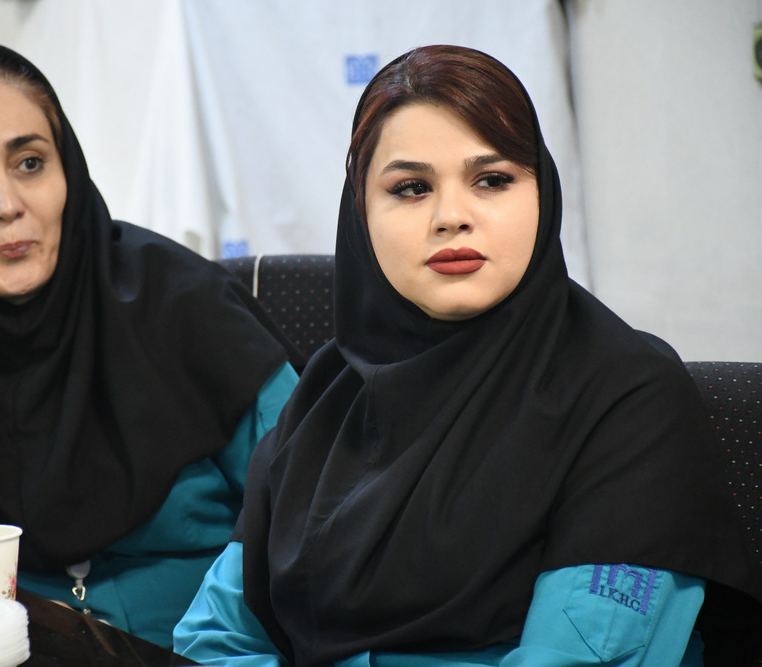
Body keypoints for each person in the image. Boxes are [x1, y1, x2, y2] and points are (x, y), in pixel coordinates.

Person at [173, 45, 762, 665]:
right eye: (410, 188)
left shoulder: (627, 399)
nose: (451, 216)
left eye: (492, 180)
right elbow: (214, 638)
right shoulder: (328, 394)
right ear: (360, 214)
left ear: (543, 194)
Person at [0, 39, 302, 647]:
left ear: (67, 169)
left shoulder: (190, 309)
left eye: (30, 163)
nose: (8, 205)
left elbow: (314, 513)